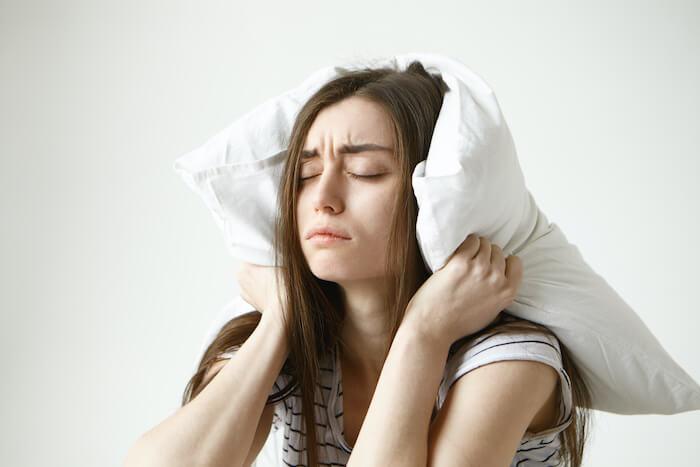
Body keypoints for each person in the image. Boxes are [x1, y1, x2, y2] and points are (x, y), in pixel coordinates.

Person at [124, 61, 592, 467]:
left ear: (431, 198)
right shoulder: (288, 345)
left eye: (364, 172)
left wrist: (423, 333)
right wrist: (283, 316)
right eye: (307, 175)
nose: (323, 199)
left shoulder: (510, 359)